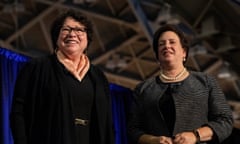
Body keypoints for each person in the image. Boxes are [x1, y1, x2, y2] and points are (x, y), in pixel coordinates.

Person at [10, 9, 114, 144]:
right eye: (66, 29)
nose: (72, 34)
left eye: (79, 30)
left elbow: (107, 123)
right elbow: (19, 113)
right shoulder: (36, 68)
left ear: (87, 39)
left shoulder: (98, 77)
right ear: (56, 37)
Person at [127, 24, 233, 144]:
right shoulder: (143, 89)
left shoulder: (206, 82)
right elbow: (133, 129)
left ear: (184, 52)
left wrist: (195, 135)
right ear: (157, 56)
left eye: (172, 42)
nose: (166, 46)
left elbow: (225, 121)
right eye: (161, 44)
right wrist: (153, 140)